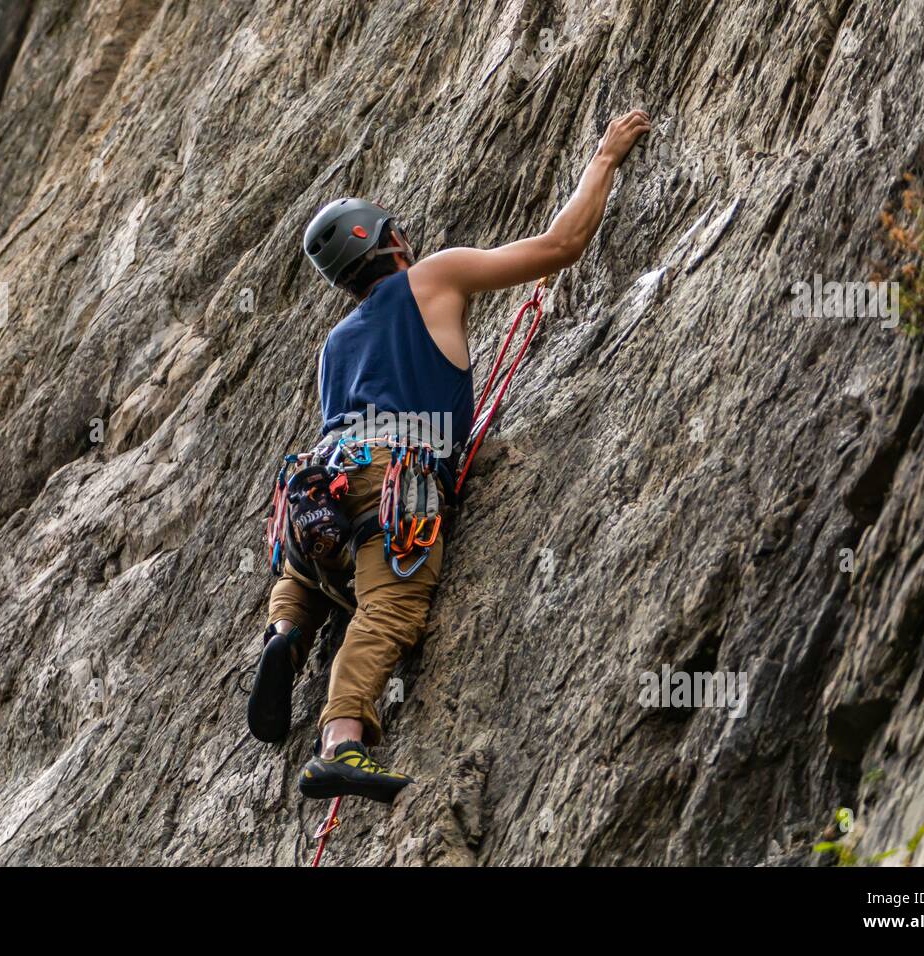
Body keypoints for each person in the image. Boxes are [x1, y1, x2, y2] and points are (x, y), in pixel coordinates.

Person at [248, 110, 653, 803]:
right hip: (392, 473)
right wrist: (606, 158)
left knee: (310, 559)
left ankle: (284, 632)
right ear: (391, 240)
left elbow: (339, 451)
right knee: (390, 604)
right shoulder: (433, 276)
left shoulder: (334, 346)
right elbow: (562, 244)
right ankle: (340, 744)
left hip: (318, 477)